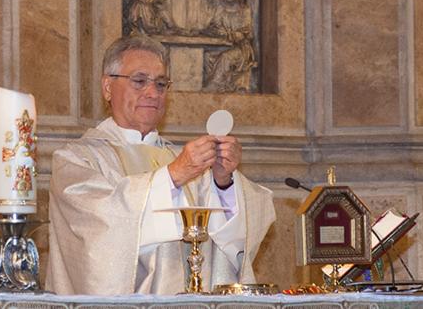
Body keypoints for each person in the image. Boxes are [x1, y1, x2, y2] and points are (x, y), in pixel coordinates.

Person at [45, 35, 275, 295]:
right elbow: (99, 229)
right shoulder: (76, 159)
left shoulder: (184, 159)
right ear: (108, 87)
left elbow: (230, 243)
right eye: (139, 81)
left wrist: (222, 181)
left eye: (161, 84)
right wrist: (174, 175)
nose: (153, 93)